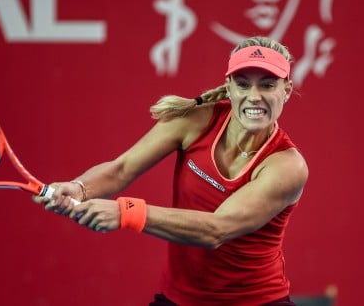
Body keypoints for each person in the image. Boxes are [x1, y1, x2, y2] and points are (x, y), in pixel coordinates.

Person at [33, 36, 308, 306]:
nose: (254, 97)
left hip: (256, 301)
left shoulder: (287, 166)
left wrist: (126, 211)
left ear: (286, 90)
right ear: (229, 87)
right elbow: (122, 169)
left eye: (268, 85)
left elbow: (217, 229)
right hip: (179, 299)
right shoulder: (195, 121)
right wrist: (81, 188)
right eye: (243, 84)